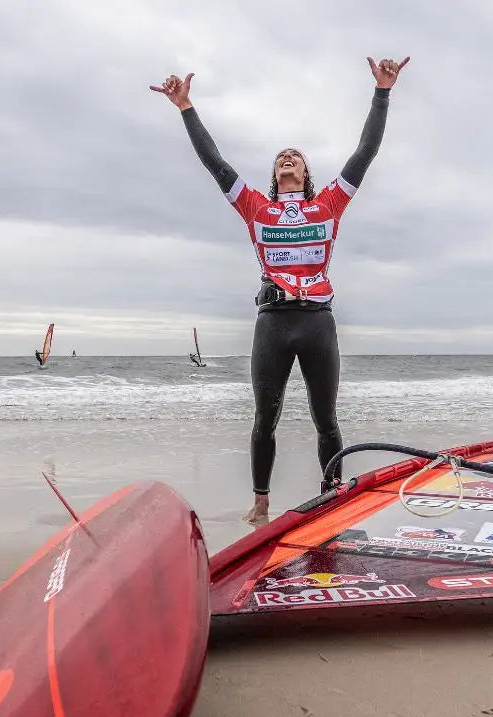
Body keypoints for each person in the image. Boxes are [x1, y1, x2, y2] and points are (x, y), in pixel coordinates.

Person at [152, 56, 408, 524]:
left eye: (296, 156)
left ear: (306, 173)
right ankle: (261, 503)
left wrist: (382, 93)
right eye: (280, 157)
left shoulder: (329, 203)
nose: (287, 158)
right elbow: (215, 163)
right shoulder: (256, 208)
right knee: (263, 420)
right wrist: (186, 107)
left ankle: (332, 497)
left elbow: (365, 152)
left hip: (316, 323)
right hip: (272, 324)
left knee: (326, 420)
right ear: (275, 174)